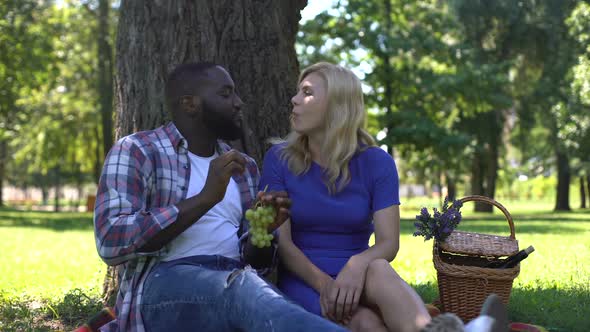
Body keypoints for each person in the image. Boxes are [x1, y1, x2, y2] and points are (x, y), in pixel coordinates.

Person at [93, 62, 348, 332]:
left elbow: (256, 263)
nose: (239, 103)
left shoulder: (243, 167)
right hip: (163, 287)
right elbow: (111, 239)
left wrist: (263, 231)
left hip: (235, 284)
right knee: (244, 290)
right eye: (226, 94)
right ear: (190, 104)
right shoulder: (138, 150)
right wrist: (205, 198)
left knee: (258, 296)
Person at [259, 62, 509, 332]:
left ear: (336, 105)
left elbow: (388, 243)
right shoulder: (278, 159)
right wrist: (327, 286)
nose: (294, 100)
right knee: (367, 323)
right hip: (305, 279)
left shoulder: (377, 162)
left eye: (306, 93)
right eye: (298, 92)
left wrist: (357, 263)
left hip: (362, 274)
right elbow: (283, 246)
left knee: (378, 267)